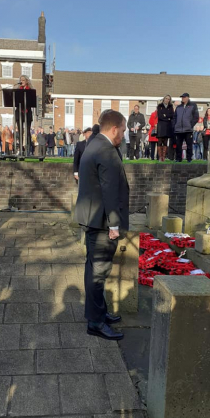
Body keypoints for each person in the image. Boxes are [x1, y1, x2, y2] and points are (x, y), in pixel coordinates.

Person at [74, 110, 129, 341]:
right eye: (124, 130)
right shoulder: (105, 150)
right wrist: (114, 225)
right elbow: (109, 190)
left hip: (93, 218)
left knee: (95, 270)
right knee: (98, 273)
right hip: (102, 222)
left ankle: (99, 312)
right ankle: (95, 323)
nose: (124, 135)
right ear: (114, 129)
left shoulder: (93, 143)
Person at [173, 93, 199, 162]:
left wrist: (191, 125)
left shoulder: (193, 105)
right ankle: (178, 158)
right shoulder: (179, 107)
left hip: (188, 129)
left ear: (188, 97)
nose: (183, 98)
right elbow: (174, 117)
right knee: (178, 145)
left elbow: (196, 117)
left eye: (184, 97)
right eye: (182, 97)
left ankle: (189, 158)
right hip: (178, 129)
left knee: (189, 145)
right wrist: (175, 125)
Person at [17, 75, 33, 155]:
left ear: (26, 81)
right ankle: (20, 149)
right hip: (19, 112)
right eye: (20, 80)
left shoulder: (30, 90)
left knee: (27, 131)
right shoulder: (17, 90)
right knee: (20, 132)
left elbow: (32, 101)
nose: (21, 81)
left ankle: (28, 149)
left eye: (23, 80)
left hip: (27, 113)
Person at [157, 95, 174, 162]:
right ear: (164, 99)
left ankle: (163, 157)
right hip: (161, 126)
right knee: (160, 141)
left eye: (168, 99)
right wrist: (167, 117)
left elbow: (172, 115)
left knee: (165, 142)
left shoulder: (170, 107)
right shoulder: (160, 106)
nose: (167, 100)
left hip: (167, 126)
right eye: (166, 98)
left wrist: (165, 115)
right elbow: (160, 116)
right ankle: (160, 157)